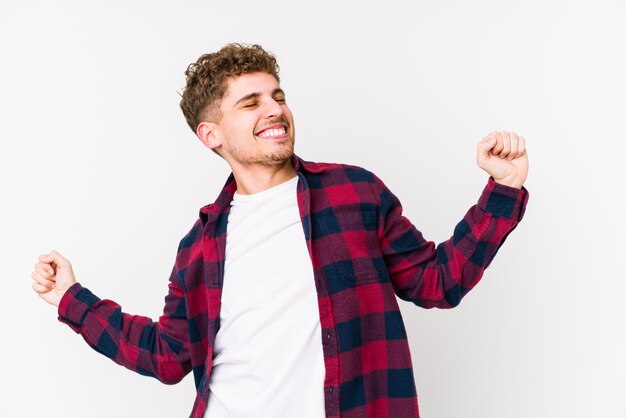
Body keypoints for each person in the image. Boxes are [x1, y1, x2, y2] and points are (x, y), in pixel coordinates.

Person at [31, 43, 529, 418]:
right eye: (250, 103)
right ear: (212, 135)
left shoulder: (355, 193)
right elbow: (169, 356)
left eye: (277, 95)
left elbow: (436, 282)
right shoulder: (200, 247)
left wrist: (503, 190)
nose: (274, 109)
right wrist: (72, 298)